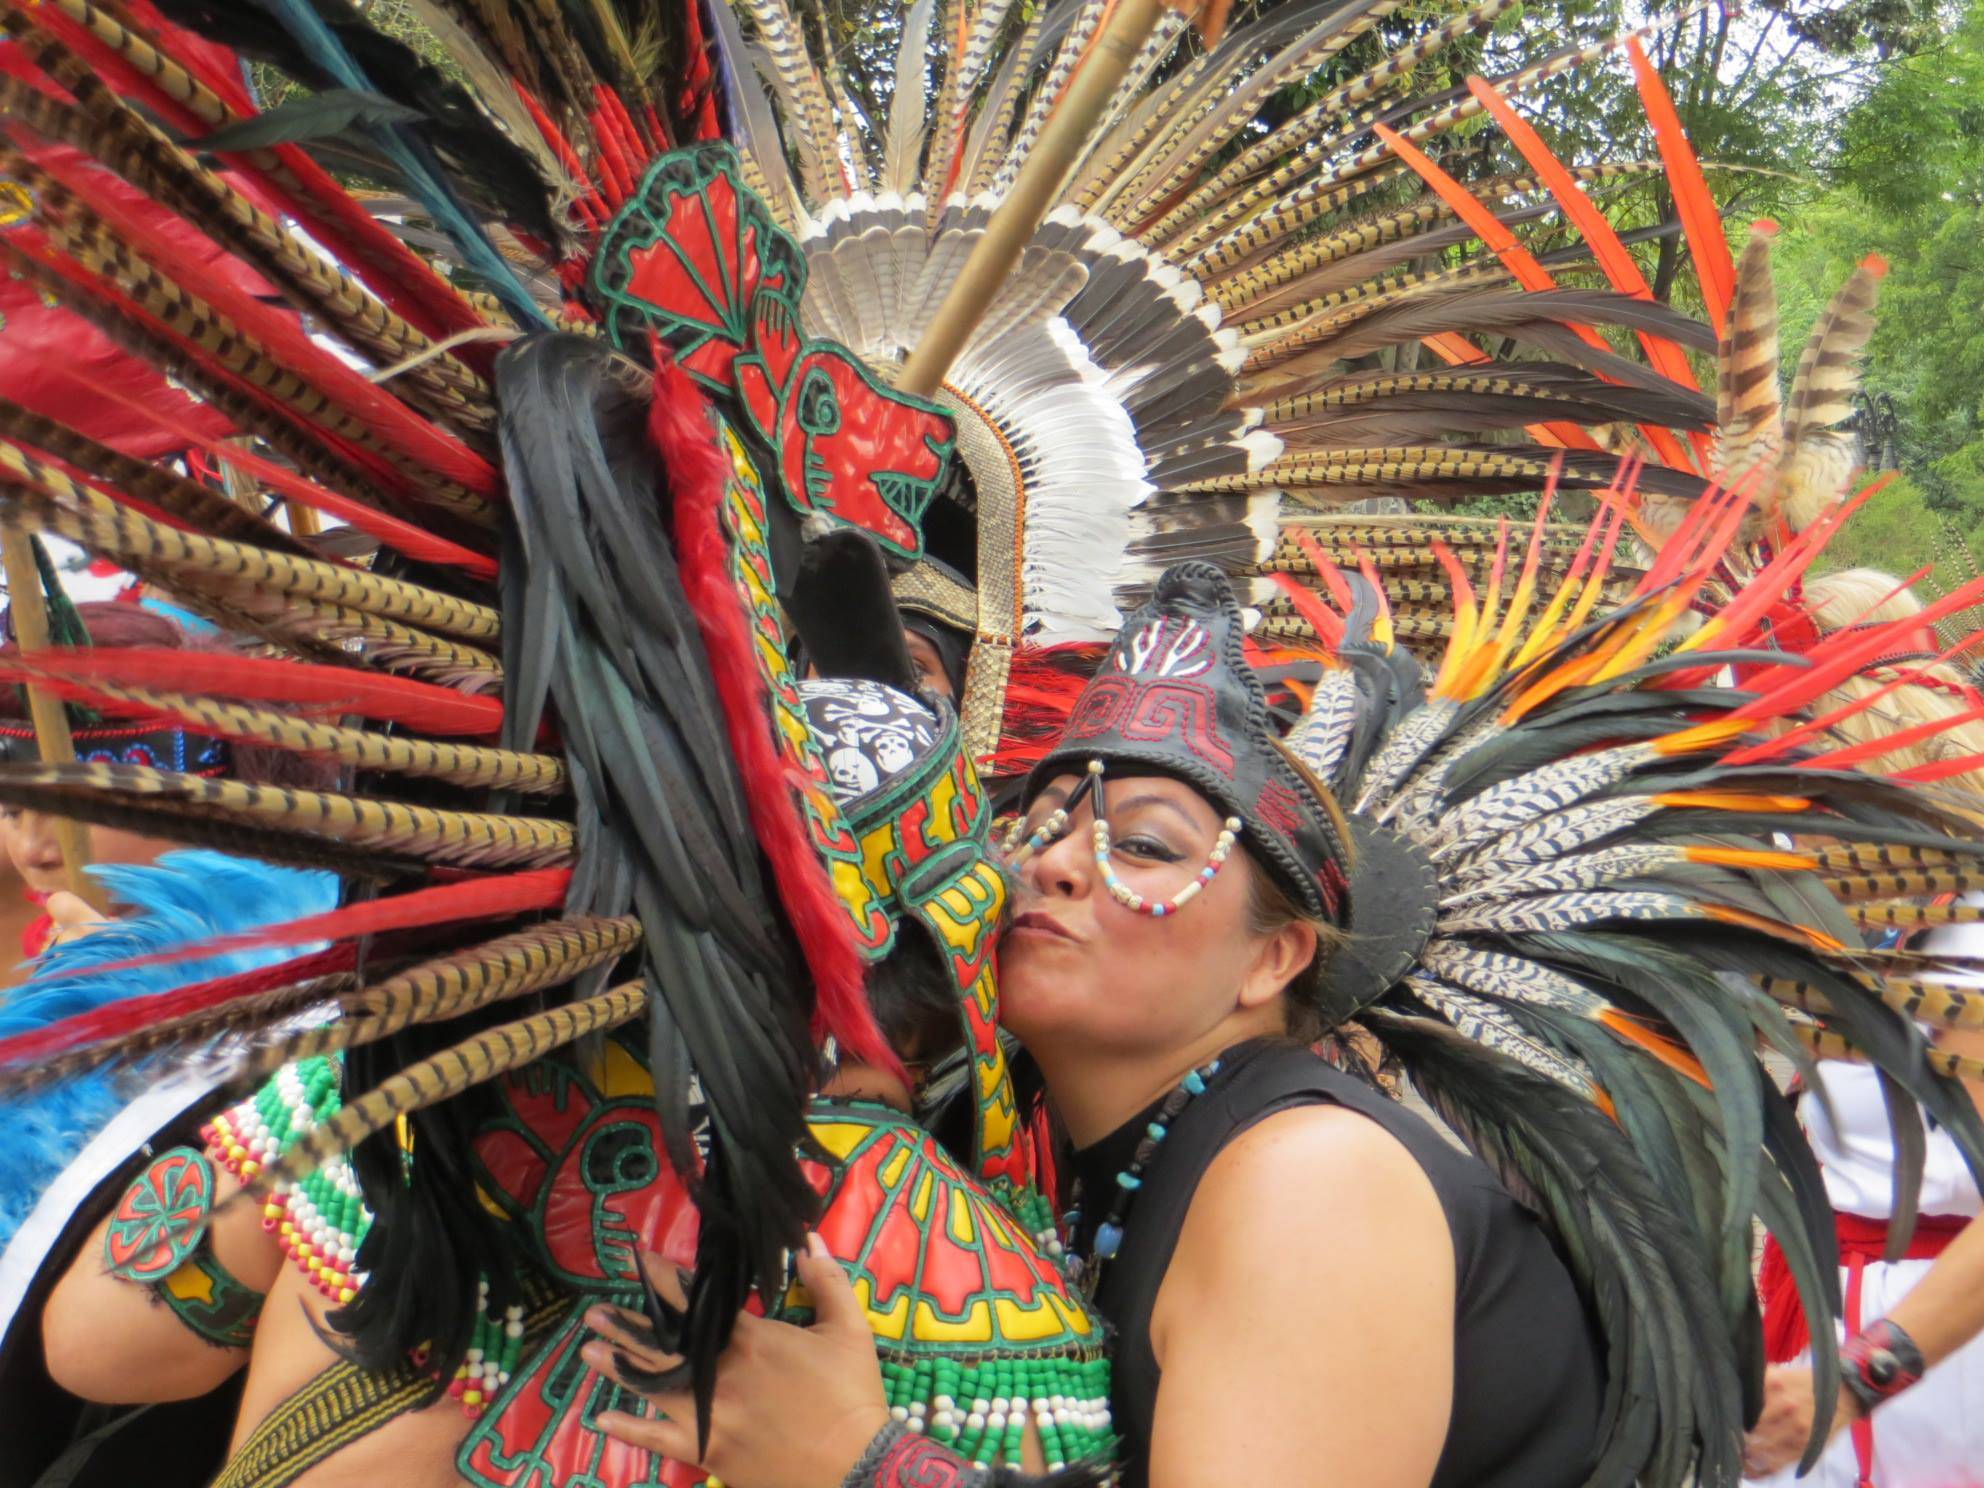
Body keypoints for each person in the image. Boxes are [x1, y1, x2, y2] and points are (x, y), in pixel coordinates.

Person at [591, 523, 1984, 1488]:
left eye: (1141, 844)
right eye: (1049, 821)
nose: (1064, 860)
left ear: (1272, 965)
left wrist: (861, 1465)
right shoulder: (1066, 1155)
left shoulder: (1307, 1180)